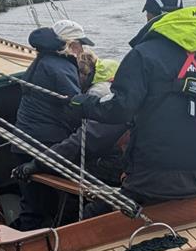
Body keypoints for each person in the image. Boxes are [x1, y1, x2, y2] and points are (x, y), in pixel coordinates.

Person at [69, 0, 196, 209]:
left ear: (151, 15)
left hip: (150, 181)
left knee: (91, 214)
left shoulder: (142, 55)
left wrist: (83, 104)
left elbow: (120, 109)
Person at [10, 21, 94, 231]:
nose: (82, 50)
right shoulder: (61, 66)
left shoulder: (41, 61)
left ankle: (25, 243)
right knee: (71, 198)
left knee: (34, 205)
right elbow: (76, 106)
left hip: (23, 143)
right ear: (69, 44)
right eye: (79, 45)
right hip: (47, 144)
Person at [13, 58, 127, 187]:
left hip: (124, 171)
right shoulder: (139, 96)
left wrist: (39, 164)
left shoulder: (113, 101)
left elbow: (90, 137)